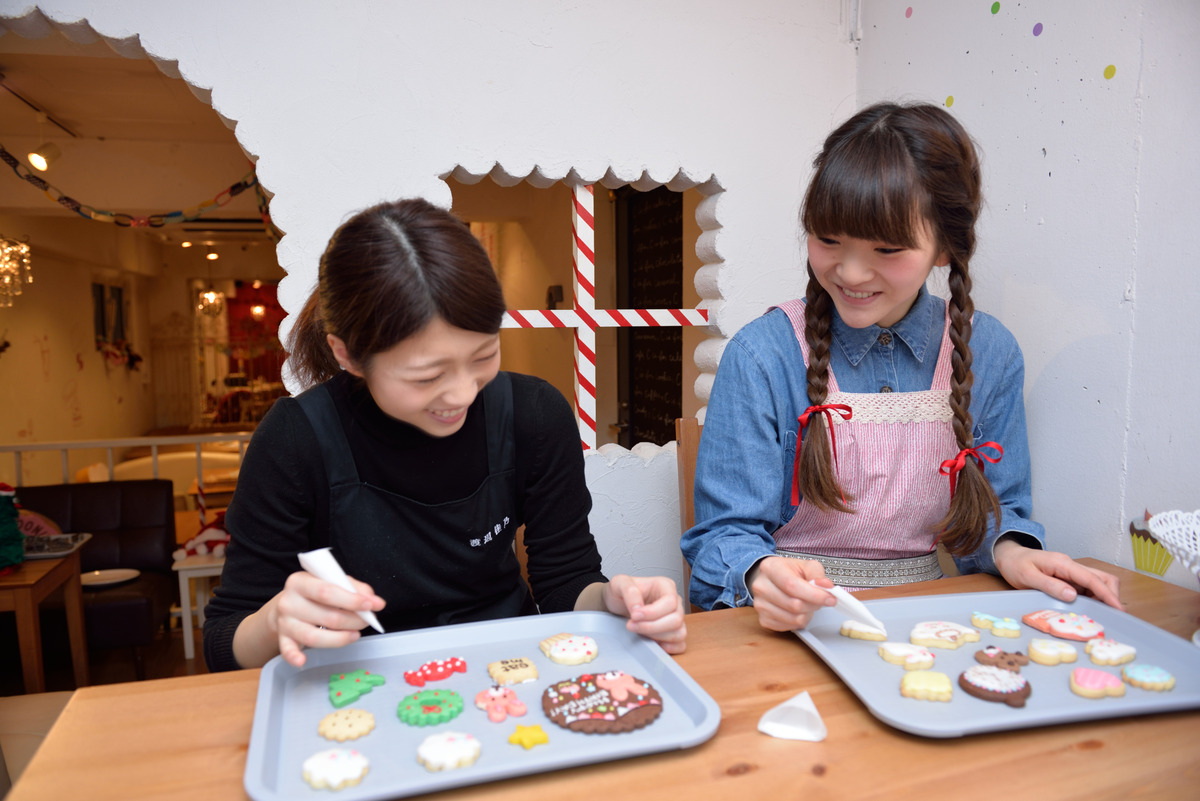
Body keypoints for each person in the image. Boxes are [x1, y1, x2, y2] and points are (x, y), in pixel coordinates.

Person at [681, 102, 1121, 633]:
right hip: (792, 624)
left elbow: (993, 509)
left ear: (944, 249)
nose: (850, 271)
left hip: (926, 622)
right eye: (828, 239)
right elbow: (722, 536)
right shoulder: (762, 355)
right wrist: (761, 575)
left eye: (887, 248)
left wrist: (1012, 550)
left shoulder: (990, 352)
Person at [203, 198, 686, 670]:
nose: (461, 394)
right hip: (359, 688)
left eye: (482, 358)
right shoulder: (295, 440)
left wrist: (614, 602)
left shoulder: (533, 415)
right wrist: (273, 623)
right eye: (426, 376)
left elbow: (565, 583)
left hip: (506, 675)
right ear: (347, 355)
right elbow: (225, 642)